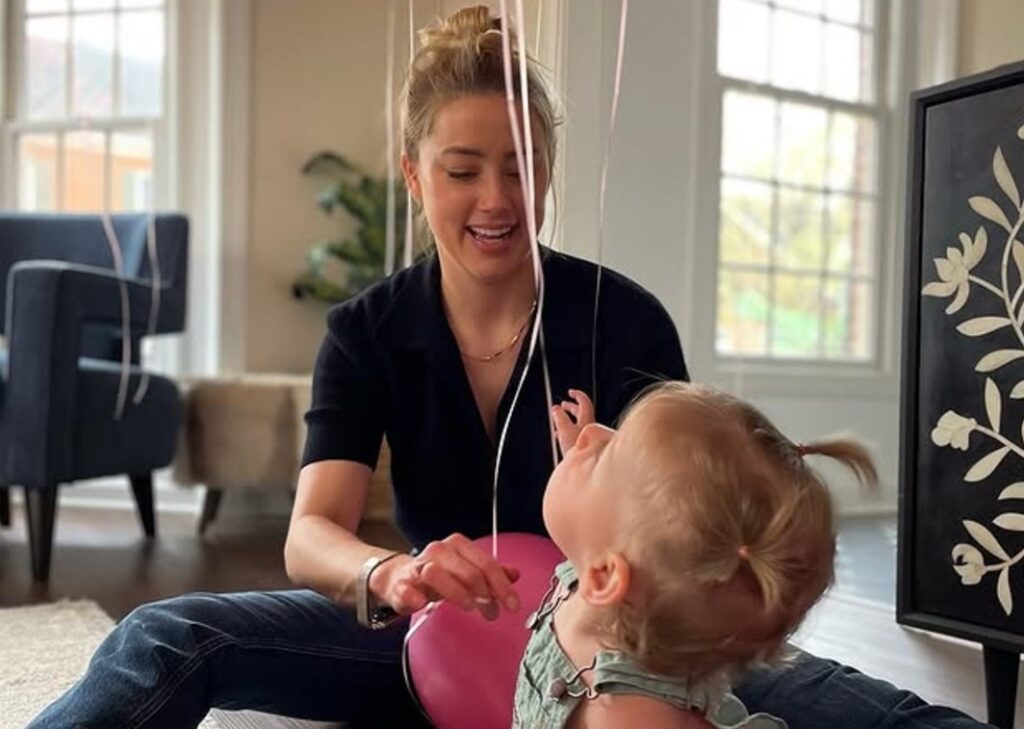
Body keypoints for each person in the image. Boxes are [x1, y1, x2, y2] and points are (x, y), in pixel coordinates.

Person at [28, 6, 990, 729]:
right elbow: (311, 532)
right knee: (166, 634)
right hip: (424, 639)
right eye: (463, 169)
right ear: (414, 173)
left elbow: (698, 524)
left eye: (523, 166)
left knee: (871, 712)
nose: (499, 198)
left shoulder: (626, 320)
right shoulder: (367, 330)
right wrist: (393, 571)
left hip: (628, 648)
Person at [512, 383, 874, 728]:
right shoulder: (617, 571)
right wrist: (589, 479)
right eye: (615, 437)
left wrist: (588, 489)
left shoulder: (630, 715)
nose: (592, 433)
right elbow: (594, 533)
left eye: (605, 454)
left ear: (605, 577)